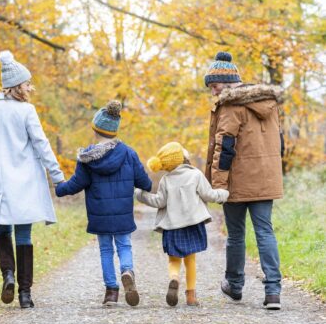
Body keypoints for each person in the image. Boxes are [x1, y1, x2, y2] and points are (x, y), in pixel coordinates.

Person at [0, 50, 64, 308]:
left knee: (2, 229)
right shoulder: (27, 111)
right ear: (15, 86)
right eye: (27, 84)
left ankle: (8, 275)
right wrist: (57, 177)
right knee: (24, 234)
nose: (30, 88)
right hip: (25, 183)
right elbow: (42, 145)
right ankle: (25, 294)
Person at [204, 51, 284, 310]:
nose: (213, 92)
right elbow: (278, 142)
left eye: (214, 86)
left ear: (227, 83)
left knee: (236, 235)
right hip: (265, 178)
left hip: (237, 181)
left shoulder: (231, 105)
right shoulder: (268, 103)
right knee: (265, 231)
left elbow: (224, 146)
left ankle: (235, 285)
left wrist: (218, 185)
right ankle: (273, 291)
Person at [55, 101, 152, 307]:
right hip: (123, 212)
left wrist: (59, 188)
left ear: (95, 128)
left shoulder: (87, 157)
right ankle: (127, 270)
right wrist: (147, 186)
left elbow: (76, 184)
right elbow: (144, 182)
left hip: (99, 213)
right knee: (124, 245)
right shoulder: (128, 153)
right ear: (114, 130)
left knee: (106, 250)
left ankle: (111, 292)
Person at [136, 142, 229, 306]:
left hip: (172, 226)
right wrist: (223, 194)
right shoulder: (196, 175)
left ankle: (174, 278)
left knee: (174, 260)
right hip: (192, 224)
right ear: (183, 159)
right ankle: (191, 296)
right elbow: (209, 195)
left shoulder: (166, 180)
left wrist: (141, 195)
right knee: (190, 260)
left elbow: (159, 202)